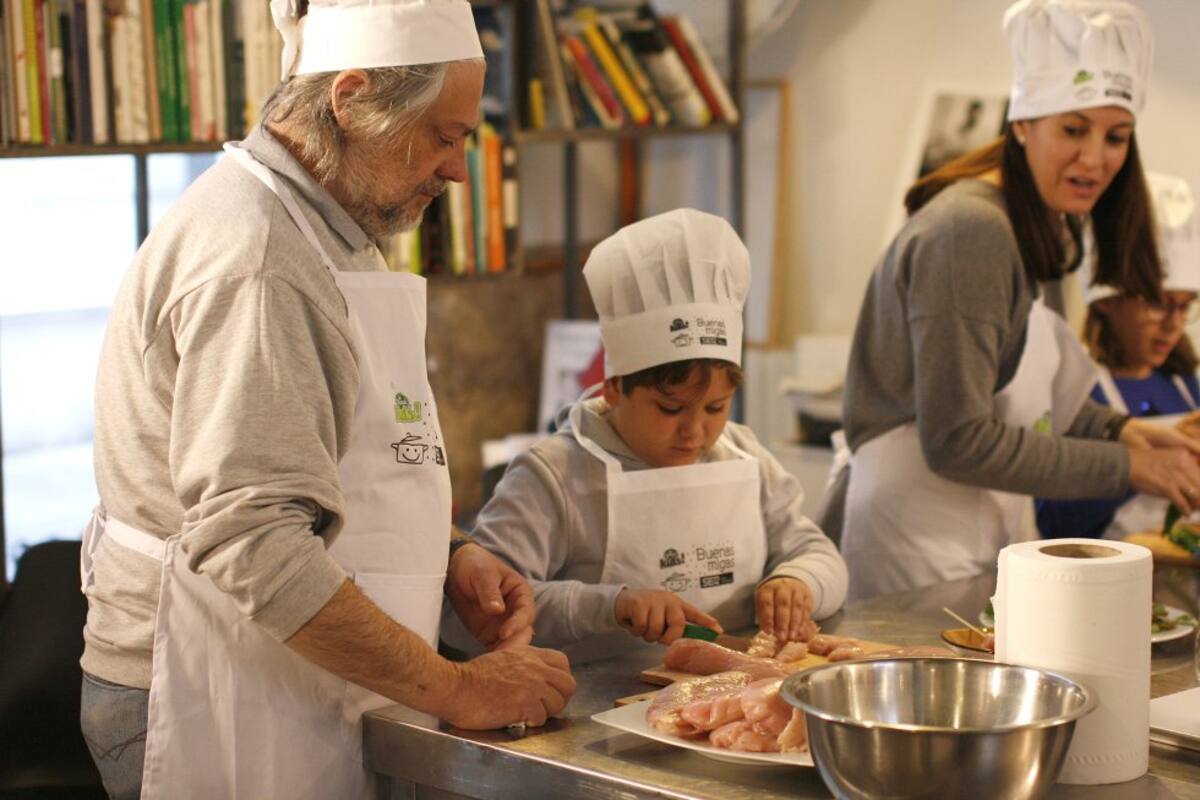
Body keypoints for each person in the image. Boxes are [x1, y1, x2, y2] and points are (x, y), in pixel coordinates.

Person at [78, 1, 574, 797]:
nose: (457, 170)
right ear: (350, 100)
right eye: (444, 137)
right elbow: (254, 542)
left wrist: (451, 555)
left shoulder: (328, 220)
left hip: (276, 676)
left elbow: (337, 462)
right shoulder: (260, 261)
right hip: (204, 688)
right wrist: (460, 688)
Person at [837, 0, 1200, 600]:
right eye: (1074, 130)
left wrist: (1124, 432)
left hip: (979, 524)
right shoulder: (969, 231)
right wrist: (1129, 467)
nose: (1095, 158)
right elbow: (957, 439)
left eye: (1116, 136)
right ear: (1024, 125)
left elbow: (1030, 398)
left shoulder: (1042, 221)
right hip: (917, 537)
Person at [457, 209, 848, 662]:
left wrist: (798, 581)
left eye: (716, 408)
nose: (695, 431)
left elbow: (821, 555)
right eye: (670, 409)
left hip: (736, 686)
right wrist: (612, 605)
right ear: (614, 388)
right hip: (594, 696)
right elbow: (476, 612)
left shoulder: (743, 456)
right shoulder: (553, 475)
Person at [1037, 173, 1200, 539]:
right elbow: (1053, 522)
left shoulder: (1183, 383)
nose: (1174, 325)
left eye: (1185, 307)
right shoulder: (1077, 390)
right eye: (1158, 305)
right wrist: (1140, 465)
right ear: (1107, 301)